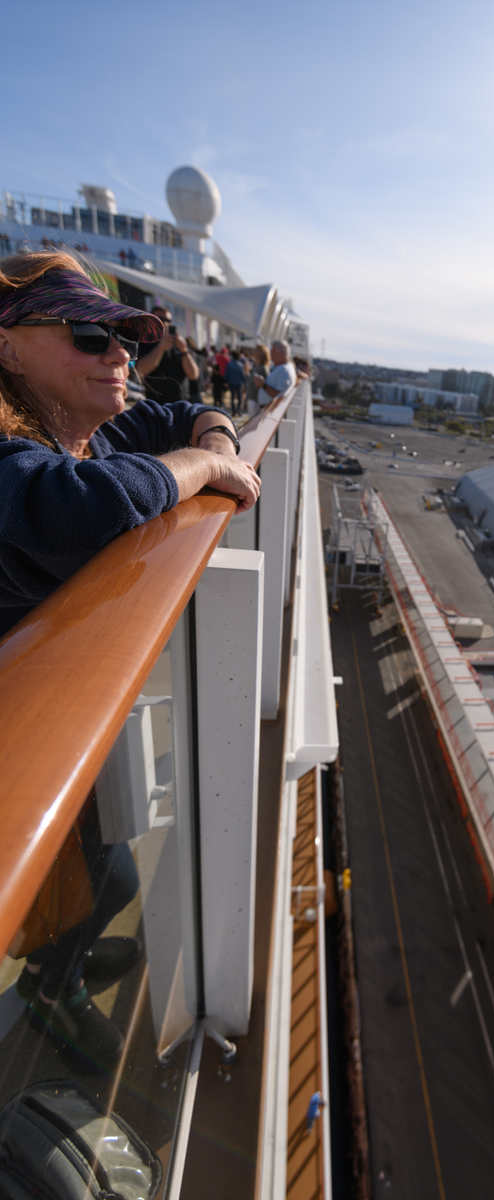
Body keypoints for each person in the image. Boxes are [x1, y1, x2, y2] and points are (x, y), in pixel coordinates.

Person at [0, 251, 260, 1064]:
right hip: (20, 737)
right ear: (6, 347)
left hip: (50, 705)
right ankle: (53, 990)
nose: (118, 354)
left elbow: (179, 410)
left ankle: (58, 968)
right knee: (99, 881)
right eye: (88, 334)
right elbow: (81, 510)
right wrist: (210, 465)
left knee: (105, 874)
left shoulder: (82, 425)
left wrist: (213, 431)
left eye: (128, 336)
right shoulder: (9, 454)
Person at [136, 304, 200, 404]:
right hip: (155, 404)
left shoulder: (181, 343)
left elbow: (193, 375)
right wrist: (161, 348)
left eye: (168, 320)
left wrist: (184, 350)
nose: (165, 323)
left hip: (181, 404)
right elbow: (142, 369)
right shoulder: (146, 341)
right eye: (160, 319)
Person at [257, 339, 297, 407]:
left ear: (282, 354)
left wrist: (262, 384)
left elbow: (279, 395)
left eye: (274, 352)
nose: (271, 354)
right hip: (269, 408)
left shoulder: (284, 370)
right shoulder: (285, 367)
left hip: (269, 409)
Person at [245, 344, 270, 416]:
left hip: (256, 401)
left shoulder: (263, 368)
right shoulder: (257, 366)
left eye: (257, 350)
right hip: (252, 399)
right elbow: (250, 381)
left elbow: (266, 386)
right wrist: (246, 371)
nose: (254, 351)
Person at [224, 350, 246, 417]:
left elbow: (226, 374)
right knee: (239, 398)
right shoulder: (241, 365)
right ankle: (238, 410)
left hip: (231, 382)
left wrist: (225, 381)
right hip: (239, 383)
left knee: (232, 397)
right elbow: (243, 375)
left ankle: (233, 412)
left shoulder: (229, 364)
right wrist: (245, 383)